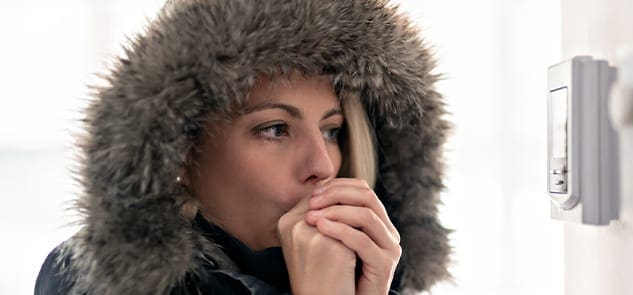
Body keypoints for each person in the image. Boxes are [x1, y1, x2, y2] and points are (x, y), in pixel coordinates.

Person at [34, 0, 450, 294]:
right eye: (274, 129)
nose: (322, 166)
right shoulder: (93, 281)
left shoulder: (367, 282)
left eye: (332, 131)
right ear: (181, 151)